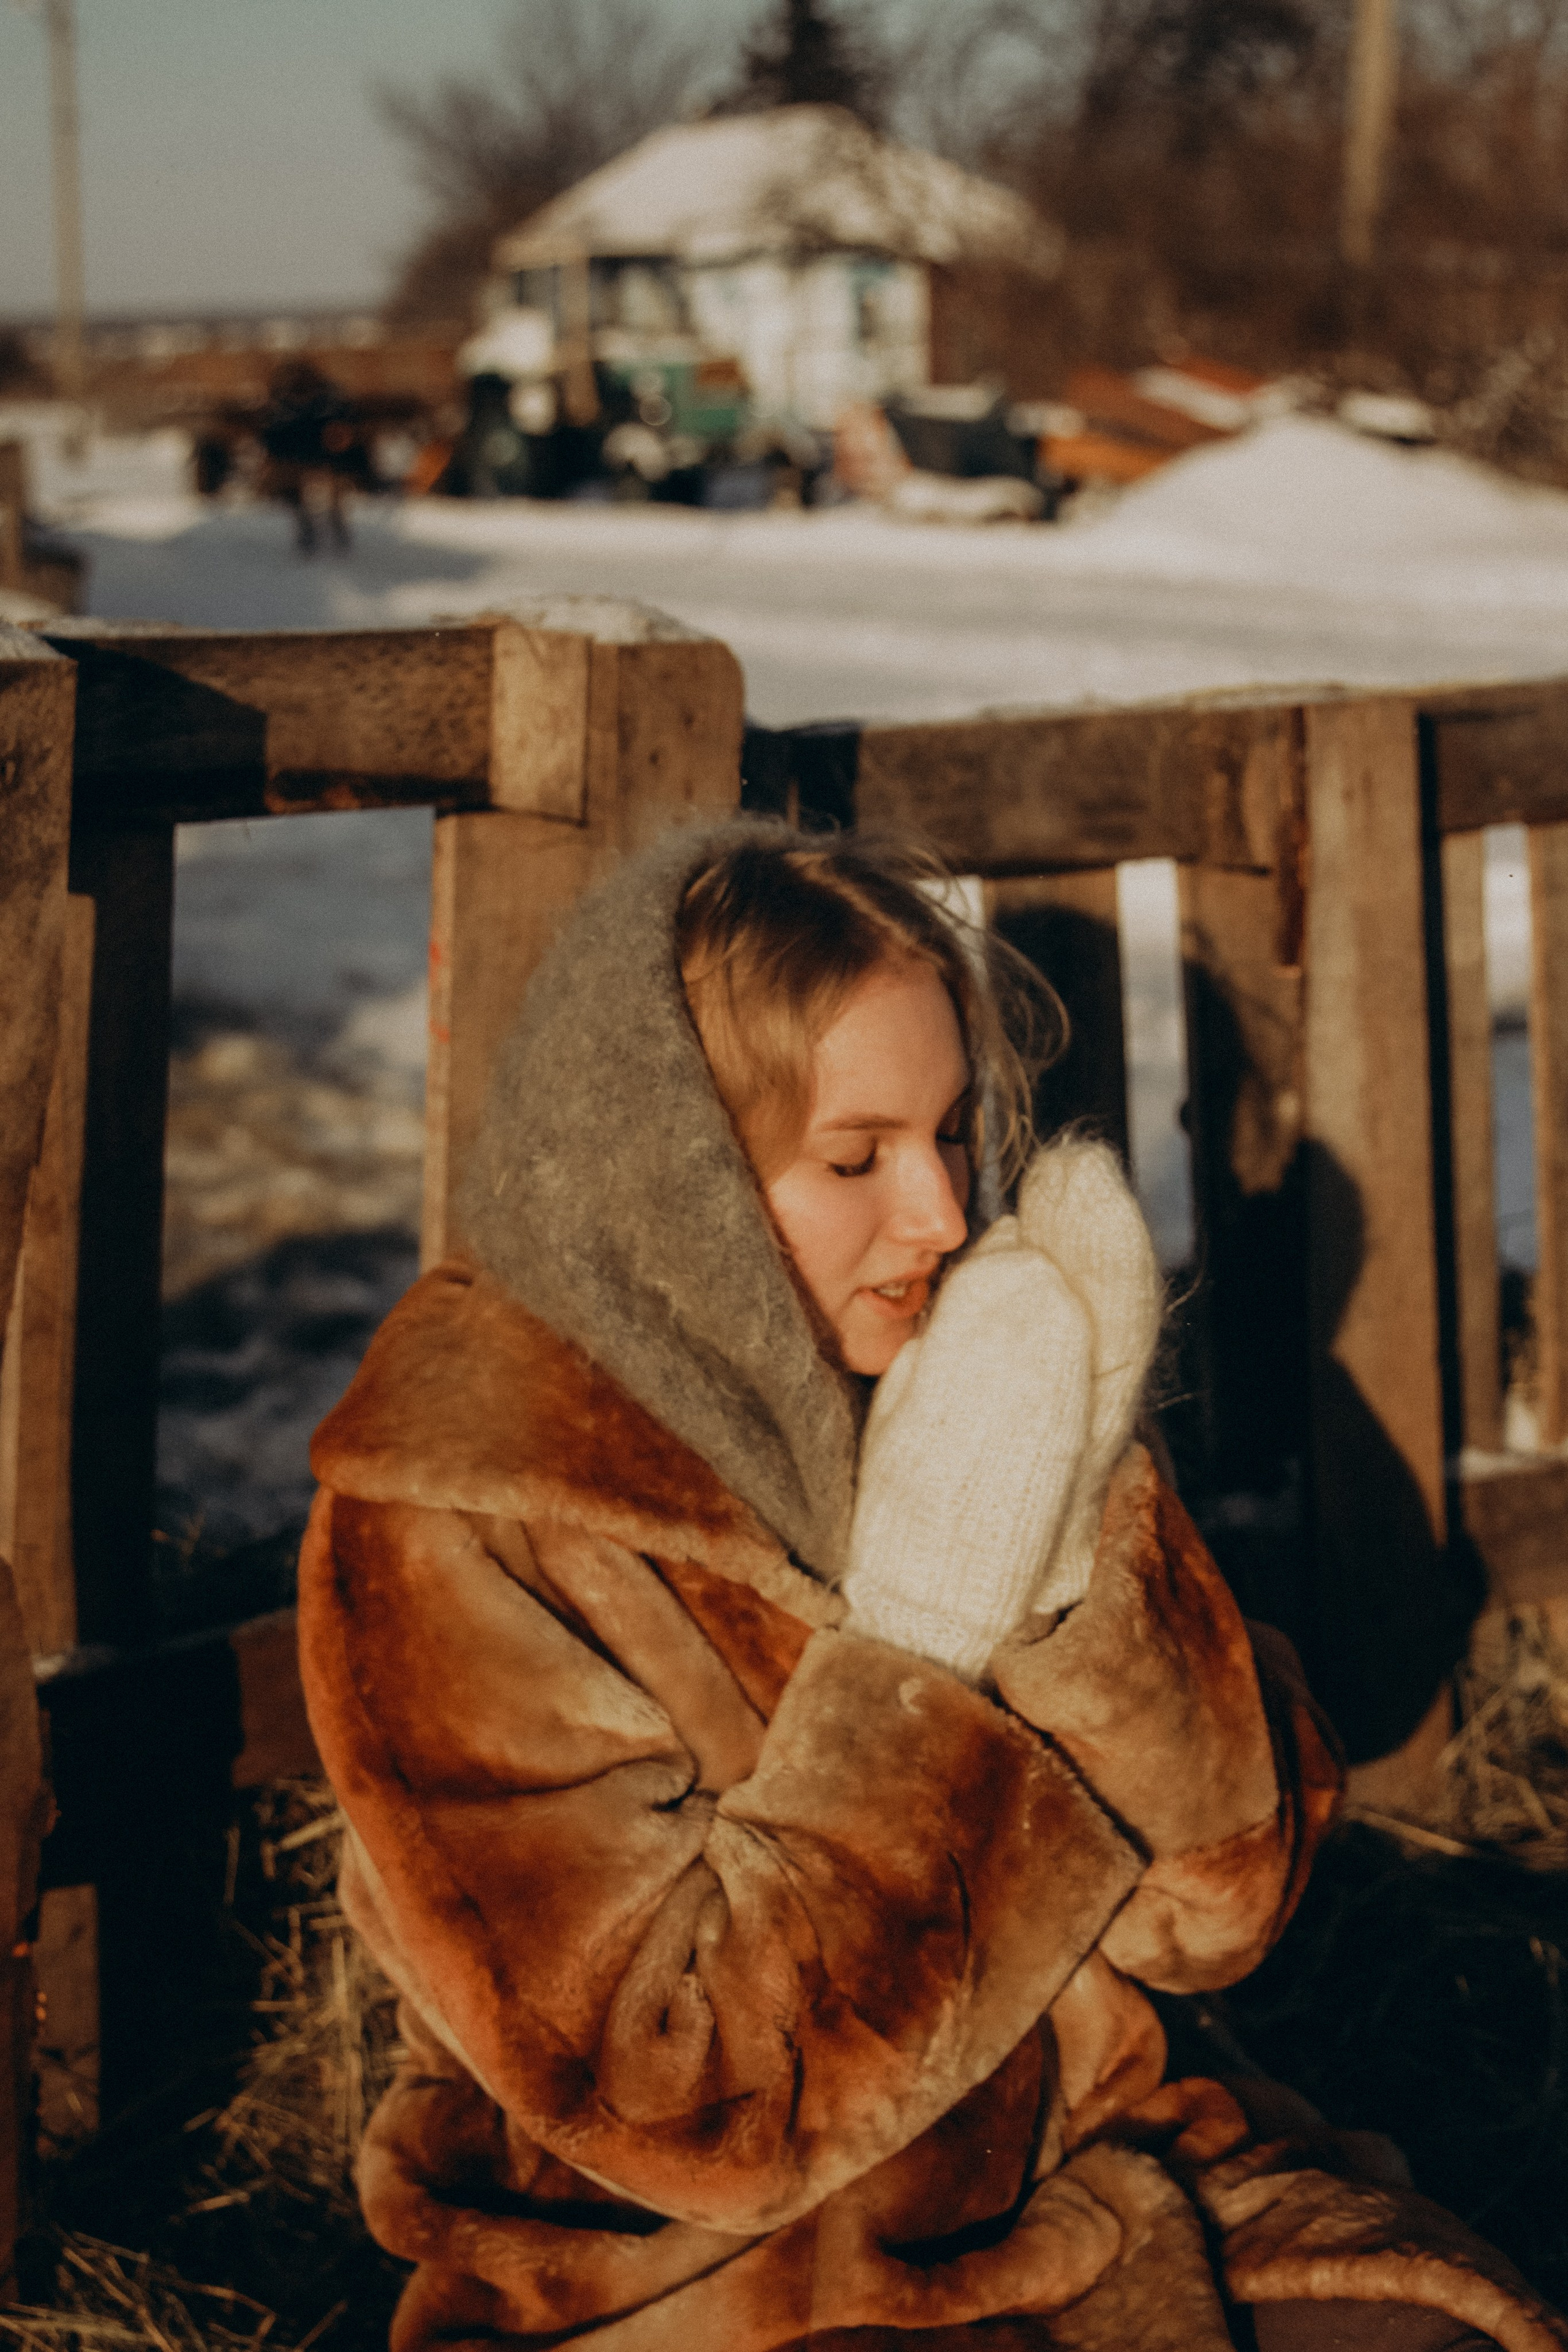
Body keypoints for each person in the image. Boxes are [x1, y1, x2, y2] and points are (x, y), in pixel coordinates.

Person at [298, 821, 1563, 2352]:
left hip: (1098, 2160)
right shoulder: (465, 1517)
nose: (944, 1216)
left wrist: (1073, 1582)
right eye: (855, 1157)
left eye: (954, 1131)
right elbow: (684, 2101)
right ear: (668, 1181)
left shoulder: (966, 1370)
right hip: (688, 2276)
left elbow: (1221, 1920)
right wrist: (917, 1650)